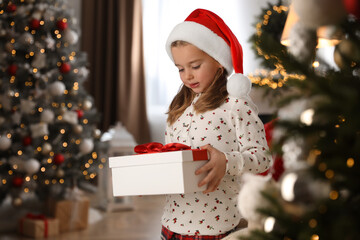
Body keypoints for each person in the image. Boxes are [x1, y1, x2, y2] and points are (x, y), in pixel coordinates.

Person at [161, 8, 272, 239]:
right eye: (180, 69)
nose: (187, 76)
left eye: (195, 66)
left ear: (218, 62)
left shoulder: (236, 106)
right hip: (171, 223)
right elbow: (172, 159)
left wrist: (227, 161)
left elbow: (262, 158)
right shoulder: (177, 109)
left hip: (215, 225)